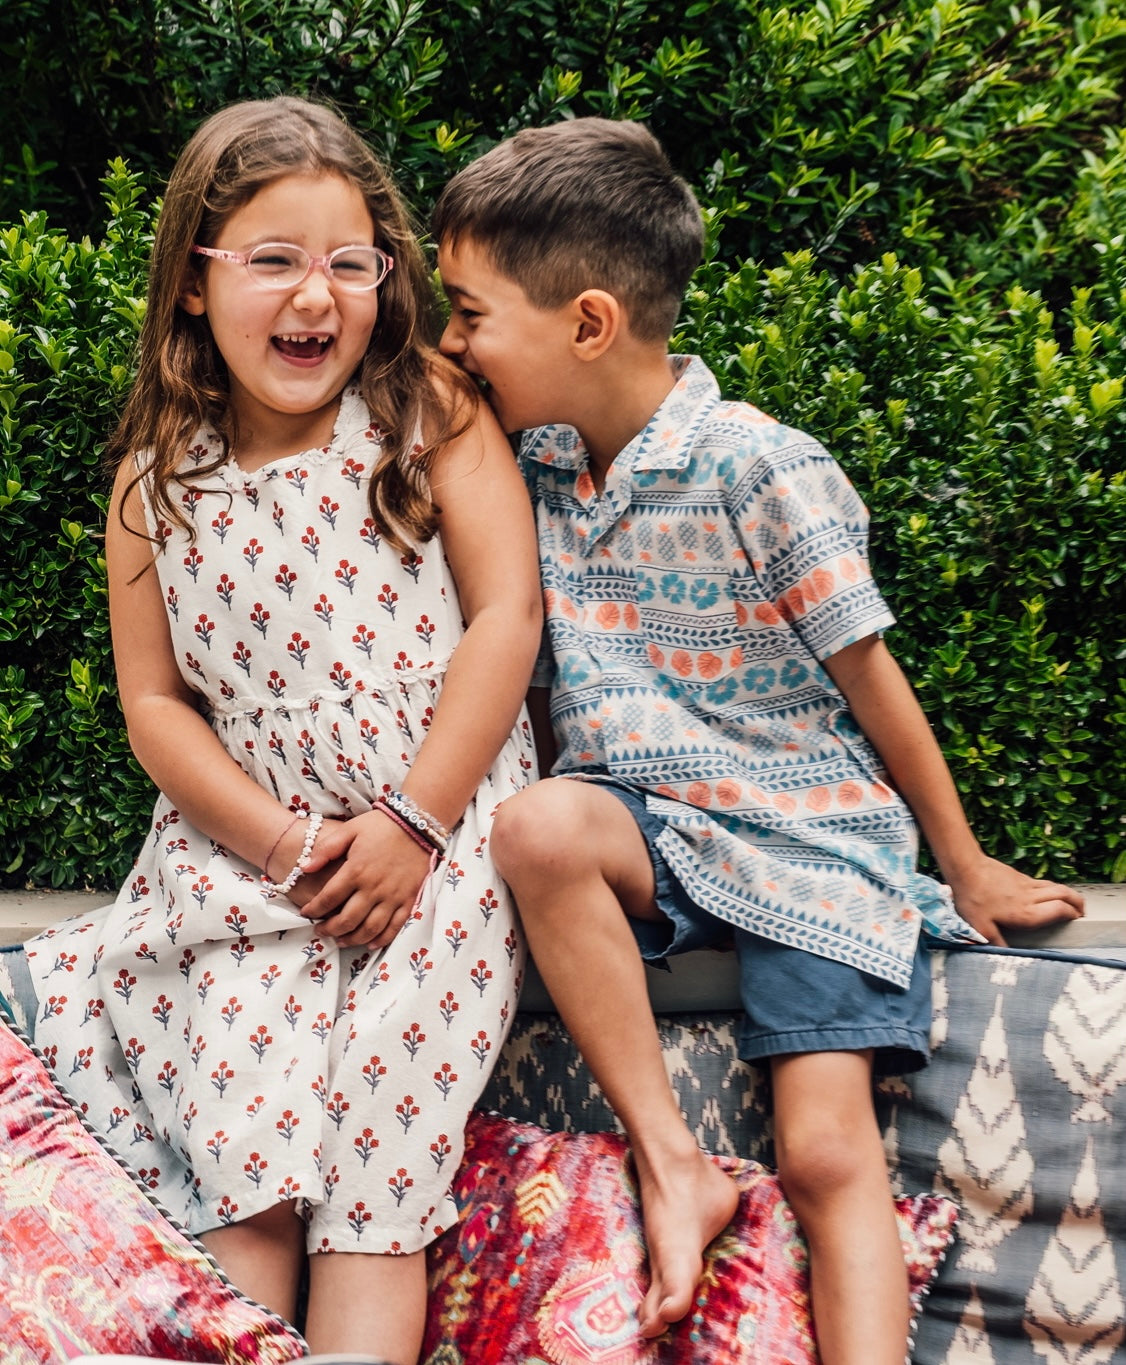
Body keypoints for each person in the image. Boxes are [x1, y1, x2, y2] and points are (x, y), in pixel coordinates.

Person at [429, 117, 1086, 1365]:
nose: (451, 344)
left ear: (586, 324)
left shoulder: (760, 467)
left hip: (806, 847)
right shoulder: (536, 467)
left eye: (468, 314)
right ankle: (673, 1165)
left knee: (828, 1154)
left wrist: (963, 865)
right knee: (539, 826)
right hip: (653, 830)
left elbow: (870, 676)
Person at [27, 96, 541, 1363]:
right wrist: (279, 843)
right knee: (242, 1155)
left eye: (349, 263)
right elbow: (156, 704)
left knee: (377, 1149)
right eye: (273, 260)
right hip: (251, 858)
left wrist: (414, 820)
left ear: (385, 277)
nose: (317, 296)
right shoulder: (157, 478)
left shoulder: (425, 410)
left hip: (439, 834)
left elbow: (506, 617)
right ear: (194, 280)